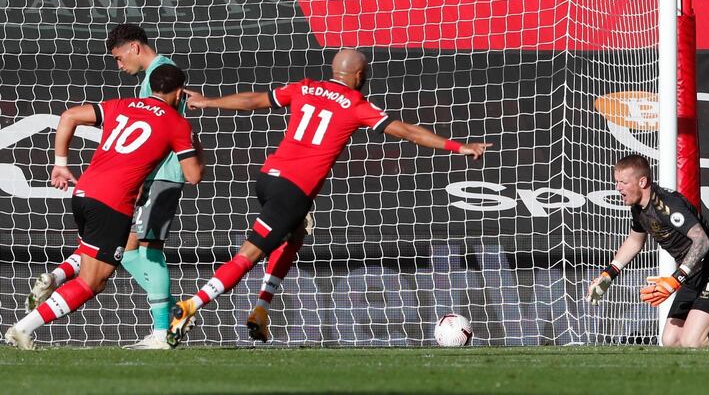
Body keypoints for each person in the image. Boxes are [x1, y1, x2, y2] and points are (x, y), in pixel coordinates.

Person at [167, 48, 492, 347]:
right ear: (360, 76)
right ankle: (191, 305)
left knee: (295, 234)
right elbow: (407, 131)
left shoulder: (304, 87)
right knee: (247, 256)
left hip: (268, 178)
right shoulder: (355, 104)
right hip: (292, 190)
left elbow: (255, 100)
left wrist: (209, 102)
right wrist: (457, 146)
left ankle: (262, 309)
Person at [4, 65, 204, 350]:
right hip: (113, 203)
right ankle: (22, 328)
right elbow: (194, 175)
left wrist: (60, 165)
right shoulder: (177, 123)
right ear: (180, 92)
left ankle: (54, 280)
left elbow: (69, 116)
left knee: (90, 259)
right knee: (92, 283)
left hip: (84, 193)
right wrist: (195, 142)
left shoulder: (120, 105)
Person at [587, 154, 709, 348]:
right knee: (671, 340)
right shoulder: (638, 209)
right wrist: (608, 275)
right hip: (695, 273)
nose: (618, 188)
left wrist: (675, 279)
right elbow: (634, 241)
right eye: (616, 182)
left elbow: (702, 242)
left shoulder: (667, 205)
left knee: (693, 342)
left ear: (642, 182)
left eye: (623, 182)